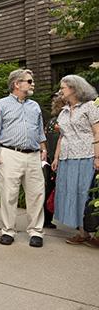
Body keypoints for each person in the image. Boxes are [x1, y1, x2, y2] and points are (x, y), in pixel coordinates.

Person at [0, 69, 47, 248]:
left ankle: (36, 232)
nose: (32, 84)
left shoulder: (34, 106)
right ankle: (8, 230)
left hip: (34, 155)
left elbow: (40, 131)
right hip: (9, 153)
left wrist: (44, 148)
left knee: (36, 194)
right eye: (29, 81)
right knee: (8, 194)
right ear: (17, 84)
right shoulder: (1, 104)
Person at [51, 75, 99, 245]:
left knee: (86, 193)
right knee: (70, 193)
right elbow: (62, 137)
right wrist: (56, 157)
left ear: (74, 88)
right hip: (66, 158)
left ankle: (94, 233)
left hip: (85, 156)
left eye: (63, 87)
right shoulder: (63, 111)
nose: (60, 91)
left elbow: (97, 132)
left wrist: (98, 156)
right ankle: (82, 232)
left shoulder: (90, 107)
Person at [43, 93, 66, 228]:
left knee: (49, 188)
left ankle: (46, 219)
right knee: (51, 189)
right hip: (57, 160)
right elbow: (57, 141)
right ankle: (46, 219)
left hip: (50, 159)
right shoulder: (60, 122)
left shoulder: (51, 121)